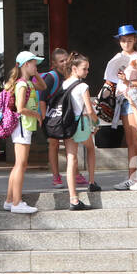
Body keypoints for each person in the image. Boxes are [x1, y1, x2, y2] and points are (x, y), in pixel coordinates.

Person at [104, 25, 137, 191]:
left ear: (135, 40)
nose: (126, 43)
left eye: (129, 40)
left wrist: (129, 82)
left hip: (133, 98)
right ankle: (132, 178)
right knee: (130, 141)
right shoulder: (118, 57)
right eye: (123, 40)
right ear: (119, 41)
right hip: (122, 100)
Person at [35, 48, 86, 189]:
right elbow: (42, 99)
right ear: (54, 63)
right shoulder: (51, 77)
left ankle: (75, 174)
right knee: (54, 145)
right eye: (61, 61)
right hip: (51, 117)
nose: (64, 63)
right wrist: (45, 120)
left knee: (70, 144)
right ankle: (56, 176)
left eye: (66, 60)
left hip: (65, 116)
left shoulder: (69, 76)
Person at [3, 51, 43, 215]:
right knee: (21, 164)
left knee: (20, 164)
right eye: (34, 64)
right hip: (22, 126)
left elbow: (43, 86)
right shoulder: (22, 84)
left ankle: (10, 200)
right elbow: (20, 108)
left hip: (24, 127)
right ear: (26, 64)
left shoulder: (29, 82)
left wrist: (35, 73)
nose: (36, 67)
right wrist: (37, 115)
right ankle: (17, 202)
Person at [63, 52, 100, 209]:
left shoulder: (64, 84)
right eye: (84, 69)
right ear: (74, 68)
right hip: (81, 124)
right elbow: (90, 110)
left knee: (71, 159)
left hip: (67, 124)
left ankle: (73, 198)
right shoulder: (83, 86)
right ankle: (91, 182)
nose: (86, 72)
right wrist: (96, 122)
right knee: (90, 148)